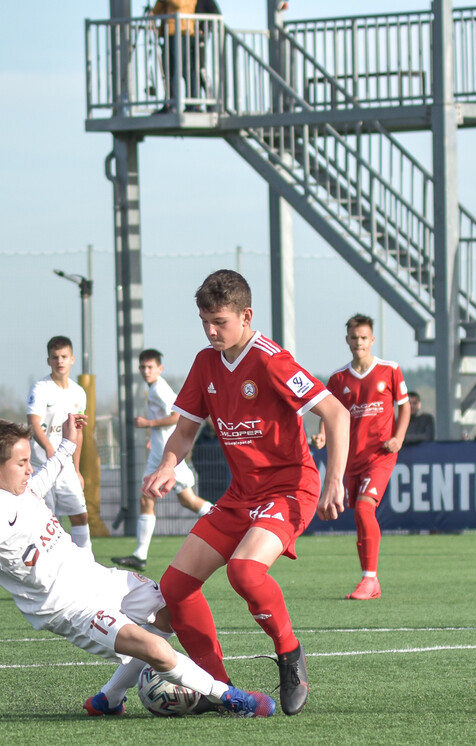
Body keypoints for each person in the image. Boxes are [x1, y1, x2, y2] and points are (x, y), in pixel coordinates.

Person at [0, 413, 274, 718]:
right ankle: (230, 697)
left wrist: (68, 441)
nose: (30, 468)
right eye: (21, 463)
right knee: (155, 649)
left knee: (169, 610)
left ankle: (111, 697)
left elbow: (52, 467)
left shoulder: (22, 489)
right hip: (71, 609)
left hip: (97, 579)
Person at [143, 269, 350, 717]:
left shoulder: (272, 360)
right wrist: (166, 465)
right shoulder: (205, 363)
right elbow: (184, 432)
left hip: (290, 488)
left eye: (219, 321)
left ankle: (290, 655)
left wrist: (335, 479)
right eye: (204, 322)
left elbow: (335, 413)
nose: (211, 331)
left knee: (245, 572)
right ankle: (217, 688)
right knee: (175, 588)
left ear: (246, 315)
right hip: (242, 495)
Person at [317, 314, 410, 601]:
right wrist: (322, 434)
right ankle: (370, 581)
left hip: (380, 454)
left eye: (364, 337)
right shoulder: (339, 378)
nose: (359, 342)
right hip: (350, 457)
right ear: (348, 340)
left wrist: (398, 437)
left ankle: (369, 579)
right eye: (354, 337)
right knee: (358, 516)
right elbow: (327, 410)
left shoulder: (390, 369)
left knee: (365, 508)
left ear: (372, 340)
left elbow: (404, 407)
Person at [112, 349, 214, 572]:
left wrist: (148, 424)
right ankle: (139, 555)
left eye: (150, 367)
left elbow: (177, 416)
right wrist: (153, 437)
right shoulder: (153, 389)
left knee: (188, 500)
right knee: (148, 497)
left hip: (169, 456)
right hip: (159, 452)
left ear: (160, 368)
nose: (146, 371)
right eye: (143, 367)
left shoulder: (160, 389)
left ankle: (229, 526)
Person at [27, 335, 92, 551]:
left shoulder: (78, 392)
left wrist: (77, 469)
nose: (60, 361)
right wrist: (49, 449)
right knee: (47, 523)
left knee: (80, 515)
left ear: (72, 359)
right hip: (42, 466)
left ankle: (87, 566)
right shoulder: (40, 388)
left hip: (66, 468)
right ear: (49, 361)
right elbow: (33, 423)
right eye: (55, 357)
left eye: (64, 356)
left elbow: (78, 433)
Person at [150, 0, 199, 113]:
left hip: (182, 30)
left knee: (183, 69)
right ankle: (170, 102)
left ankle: (187, 104)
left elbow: (180, 3)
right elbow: (156, 11)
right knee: (170, 69)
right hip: (170, 31)